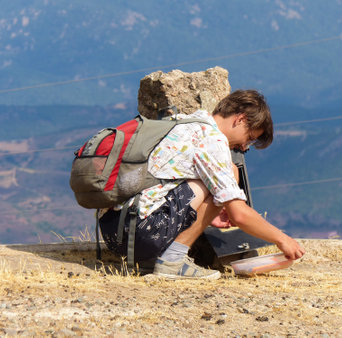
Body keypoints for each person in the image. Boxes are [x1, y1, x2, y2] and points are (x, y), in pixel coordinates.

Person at [99, 89, 305, 279]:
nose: (244, 146)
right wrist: (282, 239)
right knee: (228, 176)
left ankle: (153, 259)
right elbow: (239, 214)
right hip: (142, 233)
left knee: (222, 182)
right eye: (249, 138)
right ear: (240, 119)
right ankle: (172, 262)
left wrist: (207, 213)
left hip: (114, 230)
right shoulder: (212, 141)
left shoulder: (184, 122)